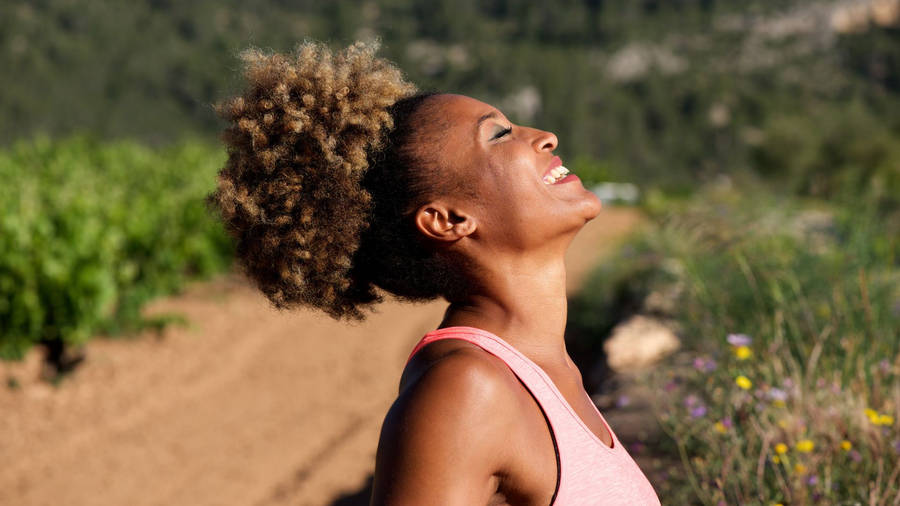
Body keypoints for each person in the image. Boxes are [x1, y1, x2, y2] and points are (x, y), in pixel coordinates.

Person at [209, 41, 660, 505]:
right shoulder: (466, 391)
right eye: (499, 136)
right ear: (447, 220)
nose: (545, 136)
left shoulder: (548, 370)